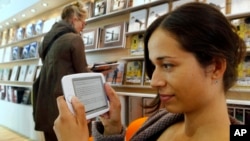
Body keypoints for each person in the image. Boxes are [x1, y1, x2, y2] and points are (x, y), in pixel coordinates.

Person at [53, 2, 246, 141]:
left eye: (168, 65)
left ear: (216, 67)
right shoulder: (162, 120)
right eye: (154, 66)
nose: (154, 81)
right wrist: (112, 130)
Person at [32, 2, 91, 141]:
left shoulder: (46, 41)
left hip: (45, 103)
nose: (83, 26)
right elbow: (82, 74)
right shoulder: (74, 39)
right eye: (83, 22)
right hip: (64, 105)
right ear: (75, 19)